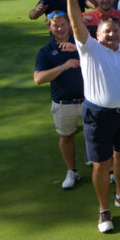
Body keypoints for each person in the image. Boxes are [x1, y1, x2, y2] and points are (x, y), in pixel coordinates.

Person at [62, 0, 120, 233]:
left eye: (115, 32)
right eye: (107, 32)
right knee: (101, 163)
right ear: (98, 34)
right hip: (98, 115)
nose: (112, 35)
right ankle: (103, 208)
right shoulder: (90, 48)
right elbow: (75, 25)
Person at [33, 11, 84, 190]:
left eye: (64, 24)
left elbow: (100, 56)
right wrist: (63, 67)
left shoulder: (82, 43)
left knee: (98, 136)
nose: (61, 29)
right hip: (64, 103)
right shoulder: (45, 52)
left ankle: (106, 170)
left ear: (69, 24)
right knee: (66, 137)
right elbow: (38, 78)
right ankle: (72, 171)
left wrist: (77, 49)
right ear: (49, 27)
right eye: (56, 26)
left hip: (89, 100)